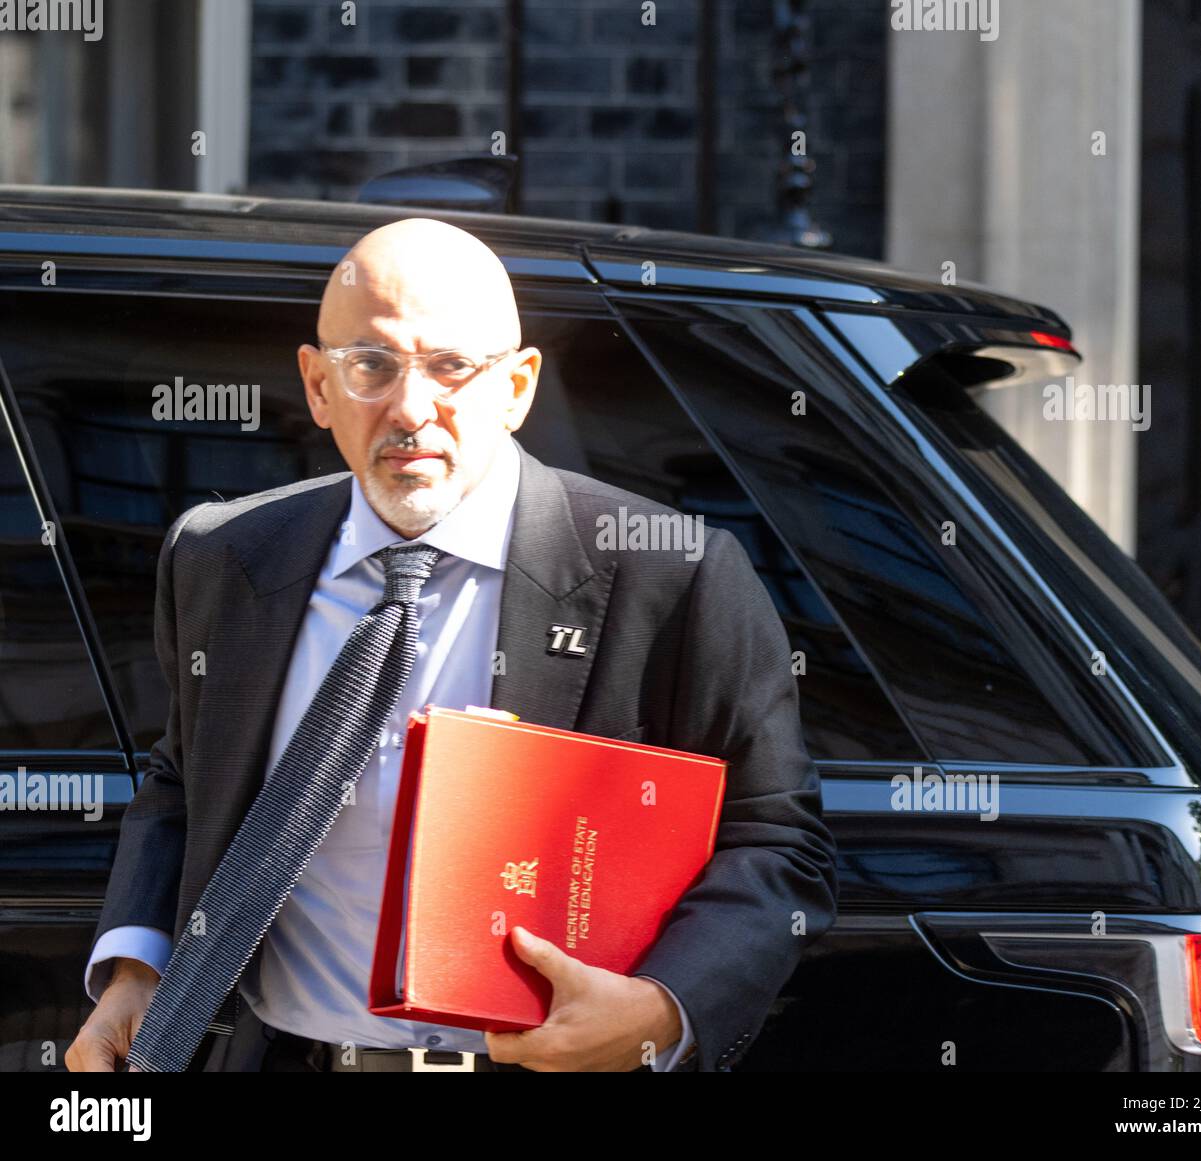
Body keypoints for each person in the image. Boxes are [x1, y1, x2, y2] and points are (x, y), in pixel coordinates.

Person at [65, 217, 838, 1073]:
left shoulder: (673, 575)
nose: (410, 407)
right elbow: (186, 777)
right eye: (372, 365)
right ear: (318, 386)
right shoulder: (223, 554)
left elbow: (777, 841)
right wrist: (137, 969)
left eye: (452, 367)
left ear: (517, 387)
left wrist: (661, 1007)